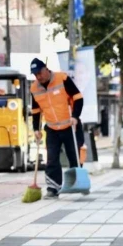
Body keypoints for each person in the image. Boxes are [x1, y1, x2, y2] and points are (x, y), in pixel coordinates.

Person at [30, 58, 84, 199]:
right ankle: (53, 189)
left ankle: (79, 183)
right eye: (35, 75)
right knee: (52, 159)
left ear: (46, 69)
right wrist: (36, 128)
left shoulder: (62, 78)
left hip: (69, 125)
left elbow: (78, 97)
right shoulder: (34, 88)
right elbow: (36, 110)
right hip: (52, 128)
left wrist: (75, 116)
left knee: (74, 156)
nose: (38, 77)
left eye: (40, 73)